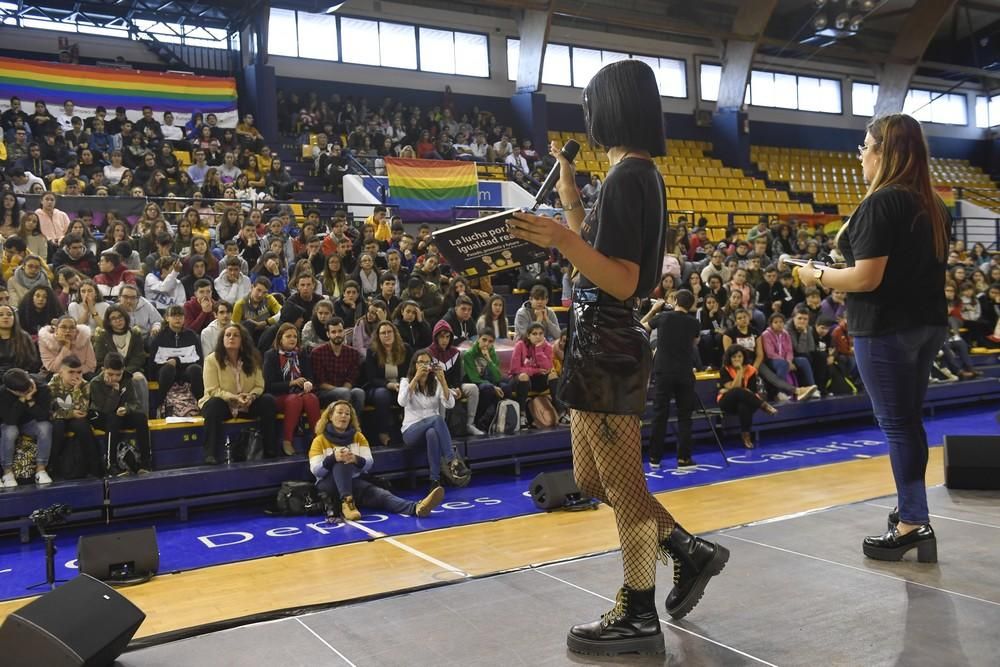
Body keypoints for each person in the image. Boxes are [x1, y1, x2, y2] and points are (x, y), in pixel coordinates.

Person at [509, 60, 728, 655]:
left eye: (591, 103)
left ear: (612, 108)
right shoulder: (627, 176)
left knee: (624, 485)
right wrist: (572, 204)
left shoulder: (634, 176)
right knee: (590, 478)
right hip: (593, 343)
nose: (587, 113)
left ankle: (637, 609)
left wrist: (561, 237)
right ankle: (687, 549)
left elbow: (626, 281)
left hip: (609, 344)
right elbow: (601, 257)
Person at [798, 114, 949, 564]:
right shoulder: (933, 203)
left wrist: (815, 274)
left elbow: (865, 278)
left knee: (898, 425)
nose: (860, 154)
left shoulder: (883, 202)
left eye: (865, 146)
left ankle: (910, 524)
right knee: (909, 421)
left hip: (886, 327)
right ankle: (912, 512)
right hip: (926, 324)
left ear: (885, 152)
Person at [309, 401, 445, 522]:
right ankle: (347, 502)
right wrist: (333, 458)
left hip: (353, 482)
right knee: (341, 460)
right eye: (339, 412)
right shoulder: (319, 440)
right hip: (328, 486)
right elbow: (316, 470)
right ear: (330, 416)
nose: (344, 416)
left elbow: (369, 462)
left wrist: (356, 459)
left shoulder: (358, 436)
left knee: (381, 495)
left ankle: (416, 507)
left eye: (347, 414)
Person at [199, 323, 278, 464]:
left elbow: (260, 385)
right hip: (223, 403)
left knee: (268, 401)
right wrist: (234, 397)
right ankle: (210, 454)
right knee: (213, 405)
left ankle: (270, 450)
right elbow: (212, 389)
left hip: (247, 403)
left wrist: (251, 396)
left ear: (242, 340)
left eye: (236, 335)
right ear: (222, 339)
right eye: (228, 335)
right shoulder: (212, 360)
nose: (231, 338)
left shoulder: (253, 359)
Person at [398, 349, 470, 490]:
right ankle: (452, 461)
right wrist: (415, 379)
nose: (424, 365)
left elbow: (449, 404)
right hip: (411, 432)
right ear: (415, 365)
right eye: (421, 363)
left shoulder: (435, 382)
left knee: (432, 433)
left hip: (430, 430)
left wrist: (443, 381)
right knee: (436, 419)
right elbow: (402, 401)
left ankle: (434, 481)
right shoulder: (406, 382)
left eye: (427, 362)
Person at [644, 289, 700, 468]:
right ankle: (684, 458)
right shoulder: (694, 322)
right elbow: (695, 343)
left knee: (660, 414)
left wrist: (654, 310)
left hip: (664, 371)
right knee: (685, 416)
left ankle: (654, 458)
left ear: (675, 301)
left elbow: (642, 327)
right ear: (691, 304)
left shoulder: (664, 317)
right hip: (684, 371)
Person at [264, 323, 321, 457]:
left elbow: (310, 378)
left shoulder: (301, 354)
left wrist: (308, 383)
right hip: (278, 396)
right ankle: (287, 440)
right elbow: (269, 385)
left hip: (300, 394)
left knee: (311, 398)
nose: (292, 339)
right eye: (288, 336)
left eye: (295, 336)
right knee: (294, 400)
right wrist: (291, 383)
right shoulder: (271, 355)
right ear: (280, 339)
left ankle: (318, 439)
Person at [89, 352, 151, 474]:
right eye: (110, 374)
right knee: (113, 418)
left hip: (120, 415)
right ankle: (110, 464)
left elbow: (135, 403)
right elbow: (105, 408)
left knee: (141, 418)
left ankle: (145, 463)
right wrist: (115, 391)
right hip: (100, 416)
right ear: (103, 370)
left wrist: (127, 409)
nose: (115, 378)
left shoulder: (127, 379)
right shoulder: (95, 383)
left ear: (123, 370)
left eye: (118, 374)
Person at [48, 354, 100, 479]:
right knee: (57, 427)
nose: (76, 376)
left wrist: (76, 389)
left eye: (79, 372)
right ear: (61, 372)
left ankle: (96, 469)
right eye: (71, 372)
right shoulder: (52, 385)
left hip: (74, 418)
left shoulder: (84, 385)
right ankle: (52, 468)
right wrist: (70, 413)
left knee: (83, 426)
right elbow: (50, 412)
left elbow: (82, 411)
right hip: (59, 419)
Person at [717, 344, 778, 449]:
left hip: (748, 400)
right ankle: (764, 406)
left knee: (743, 405)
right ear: (729, 358)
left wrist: (727, 389)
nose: (737, 359)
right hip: (727, 402)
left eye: (739, 356)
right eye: (734, 357)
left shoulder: (751, 370)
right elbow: (734, 388)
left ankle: (746, 437)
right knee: (737, 391)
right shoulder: (725, 370)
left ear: (744, 357)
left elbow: (752, 391)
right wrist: (740, 371)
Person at [92, 306, 149, 415]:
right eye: (113, 318)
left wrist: (125, 372)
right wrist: (115, 372)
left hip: (131, 370)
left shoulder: (135, 334)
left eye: (120, 317)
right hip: (110, 370)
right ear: (108, 321)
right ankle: (109, 415)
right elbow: (100, 358)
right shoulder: (103, 336)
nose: (118, 320)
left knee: (139, 379)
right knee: (105, 379)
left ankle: (143, 415)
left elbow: (139, 357)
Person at [0, 368, 53, 487]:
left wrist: (30, 399)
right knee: (10, 431)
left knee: (45, 427)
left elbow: (44, 416)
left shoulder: (41, 386)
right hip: (11, 424)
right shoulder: (3, 393)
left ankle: (41, 470)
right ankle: (7, 473)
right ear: (10, 390)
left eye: (29, 387)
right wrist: (22, 399)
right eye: (23, 391)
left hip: (31, 423)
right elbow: (10, 420)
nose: (28, 390)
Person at [364, 321, 412, 446]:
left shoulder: (405, 349)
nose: (387, 335)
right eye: (383, 333)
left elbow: (411, 372)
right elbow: (372, 378)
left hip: (401, 386)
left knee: (411, 392)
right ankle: (383, 433)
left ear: (395, 333)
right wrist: (389, 385)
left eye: (389, 332)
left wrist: (402, 384)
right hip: (378, 387)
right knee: (382, 394)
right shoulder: (372, 352)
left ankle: (410, 430)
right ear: (378, 336)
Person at [149, 304, 204, 408]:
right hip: (165, 373)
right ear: (167, 318)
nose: (178, 318)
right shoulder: (159, 337)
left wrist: (177, 361)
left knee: (196, 369)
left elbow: (198, 360)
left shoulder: (192, 336)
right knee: (168, 369)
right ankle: (160, 405)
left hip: (186, 372)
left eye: (181, 316)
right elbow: (153, 363)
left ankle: (201, 403)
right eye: (174, 316)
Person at [312, 317, 366, 416]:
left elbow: (351, 378)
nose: (337, 335)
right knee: (343, 393)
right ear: (328, 334)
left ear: (344, 332)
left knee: (359, 392)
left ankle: (355, 426)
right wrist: (340, 390)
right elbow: (320, 382)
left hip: (345, 391)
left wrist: (344, 389)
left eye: (340, 331)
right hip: (324, 392)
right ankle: (343, 427)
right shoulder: (317, 352)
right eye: (333, 332)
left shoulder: (353, 353)